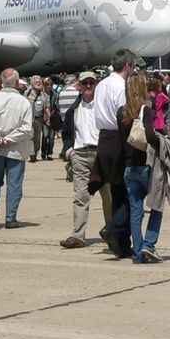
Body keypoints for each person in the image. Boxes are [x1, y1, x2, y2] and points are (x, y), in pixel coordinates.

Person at [92, 50, 138, 258]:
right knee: (126, 192)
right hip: (118, 138)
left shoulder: (101, 84)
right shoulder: (121, 86)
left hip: (103, 139)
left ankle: (120, 242)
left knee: (117, 191)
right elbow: (123, 117)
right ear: (127, 65)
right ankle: (114, 228)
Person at [0, 68, 34, 229]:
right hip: (16, 149)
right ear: (17, 83)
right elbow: (26, 127)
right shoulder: (23, 102)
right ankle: (11, 218)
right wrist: (9, 139)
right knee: (14, 184)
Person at [120, 73, 165, 264]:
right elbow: (149, 135)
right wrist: (162, 141)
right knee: (157, 204)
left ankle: (137, 253)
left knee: (136, 212)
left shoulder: (122, 111)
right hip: (146, 166)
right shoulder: (146, 109)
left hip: (129, 167)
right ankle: (149, 244)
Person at [59, 73, 107, 249]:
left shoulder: (102, 106)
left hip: (100, 154)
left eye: (91, 83)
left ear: (96, 85)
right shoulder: (74, 109)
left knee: (107, 196)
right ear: (79, 85)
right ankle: (78, 235)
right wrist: (70, 151)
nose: (88, 86)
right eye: (85, 83)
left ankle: (112, 232)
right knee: (81, 196)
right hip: (80, 155)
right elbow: (66, 133)